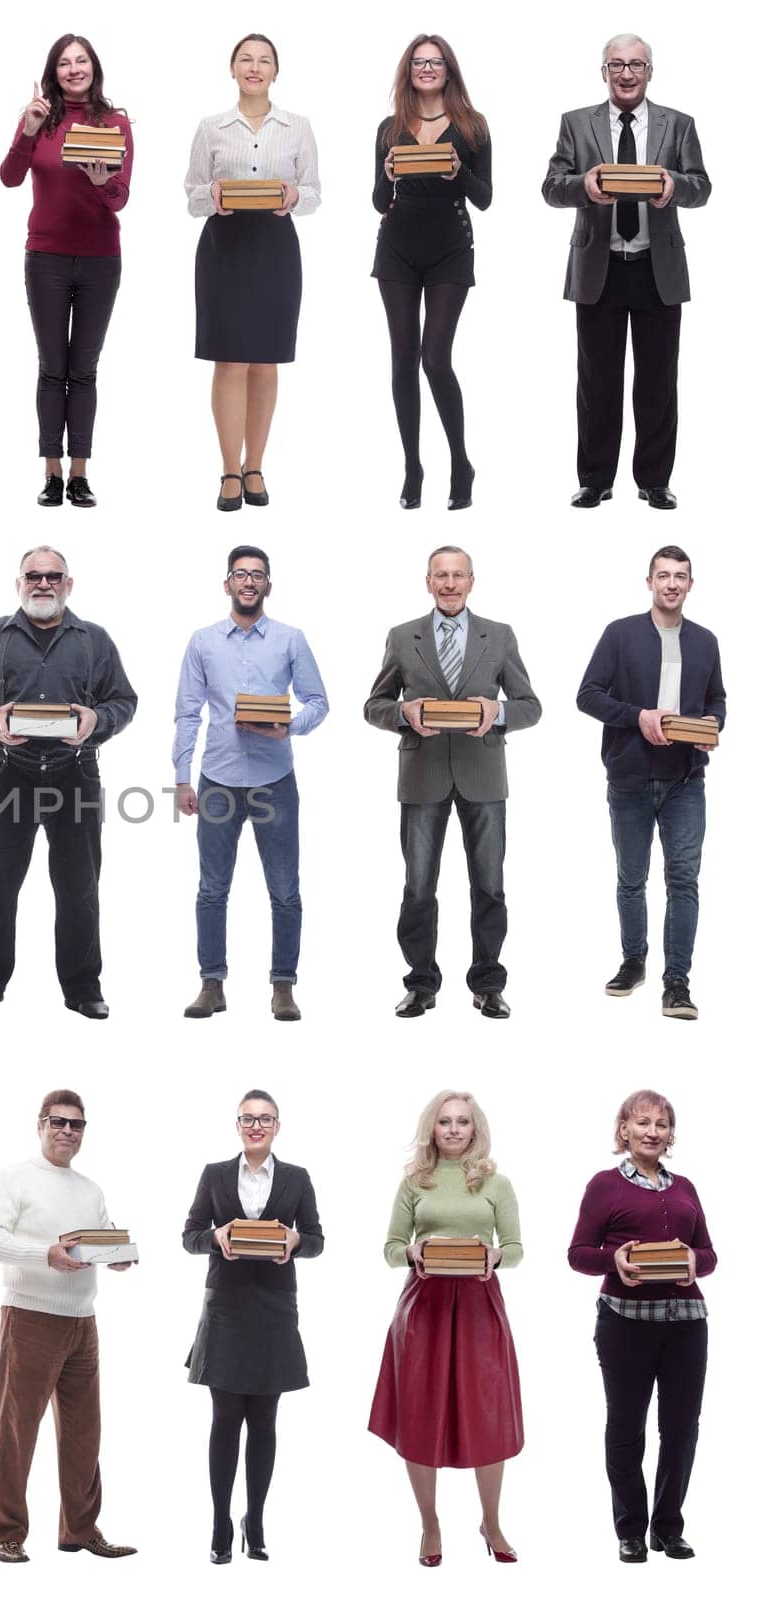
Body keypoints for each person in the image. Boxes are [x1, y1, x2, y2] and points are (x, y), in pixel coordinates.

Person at [0, 546, 137, 1018]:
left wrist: (99, 718)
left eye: (53, 577)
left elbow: (124, 702)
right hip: (9, 775)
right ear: (19, 584)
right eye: (33, 576)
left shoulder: (95, 640)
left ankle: (83, 989)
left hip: (76, 776)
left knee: (79, 888)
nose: (43, 584)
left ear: (69, 584)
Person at [363, 545, 540, 1020]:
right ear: (428, 582)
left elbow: (530, 705)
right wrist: (403, 713)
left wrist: (496, 712)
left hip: (483, 776)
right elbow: (373, 705)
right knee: (418, 887)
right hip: (422, 777)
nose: (449, 583)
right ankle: (421, 983)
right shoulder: (403, 637)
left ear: (471, 581)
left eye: (458, 575)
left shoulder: (498, 636)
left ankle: (488, 984)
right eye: (440, 575)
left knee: (490, 886)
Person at [541, 34, 710, 510]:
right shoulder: (576, 123)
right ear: (604, 71)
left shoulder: (678, 124)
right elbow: (553, 187)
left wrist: (675, 186)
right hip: (600, 266)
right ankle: (595, 479)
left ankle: (654, 480)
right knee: (597, 381)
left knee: (658, 381)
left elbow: (702, 186)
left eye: (636, 64)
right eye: (617, 64)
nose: (627, 73)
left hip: (658, 269)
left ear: (650, 71)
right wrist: (584, 185)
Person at [0, 1090, 136, 1564]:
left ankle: (80, 1530)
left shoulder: (90, 1188)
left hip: (83, 1322)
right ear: (40, 1125)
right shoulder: (15, 1178)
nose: (67, 1131)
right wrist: (42, 1252)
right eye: (58, 1122)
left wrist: (116, 1257)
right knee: (18, 1430)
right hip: (30, 1317)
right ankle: (6, 1531)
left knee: (85, 1432)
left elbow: (101, 1237)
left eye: (77, 1125)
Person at [173, 545, 328, 1021]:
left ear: (267, 586)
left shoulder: (290, 639)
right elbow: (186, 712)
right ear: (227, 584)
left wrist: (290, 727)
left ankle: (283, 986)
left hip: (273, 779)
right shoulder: (202, 642)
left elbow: (318, 702)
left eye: (257, 575)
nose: (248, 581)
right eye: (240, 574)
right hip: (217, 779)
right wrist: (182, 777)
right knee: (211, 889)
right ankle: (211, 983)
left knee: (285, 889)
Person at [368, 1090, 522, 1566]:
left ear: (476, 1129)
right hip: (424, 1310)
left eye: (463, 1122)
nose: (454, 1130)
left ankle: (491, 1522)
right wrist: (413, 1252)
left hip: (479, 1306)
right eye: (445, 1122)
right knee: (420, 1414)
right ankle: (429, 1524)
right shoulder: (415, 1180)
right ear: (431, 1129)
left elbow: (515, 1248)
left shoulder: (497, 1183)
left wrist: (495, 1255)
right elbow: (392, 1247)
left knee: (487, 1414)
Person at [567, 1090, 716, 1563]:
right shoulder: (604, 1185)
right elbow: (578, 1254)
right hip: (625, 1324)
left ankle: (668, 1528)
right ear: (624, 1130)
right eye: (643, 1122)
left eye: (662, 1124)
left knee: (681, 1429)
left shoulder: (686, 1187)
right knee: (626, 1427)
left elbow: (709, 1255)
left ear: (671, 1133)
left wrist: (695, 1259)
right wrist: (614, 1258)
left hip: (687, 1325)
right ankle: (630, 1529)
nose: (653, 1131)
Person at [577, 546, 723, 1021]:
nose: (672, 584)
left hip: (685, 780)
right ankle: (633, 961)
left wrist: (710, 727)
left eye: (681, 576)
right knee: (631, 879)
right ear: (649, 582)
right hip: (631, 779)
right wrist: (637, 716)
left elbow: (717, 699)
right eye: (664, 575)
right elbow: (587, 695)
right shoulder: (620, 634)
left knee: (683, 881)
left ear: (690, 585)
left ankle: (677, 982)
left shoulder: (705, 641)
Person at [181, 1090, 322, 1563]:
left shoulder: (298, 1178)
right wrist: (215, 1237)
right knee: (225, 1420)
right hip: (226, 1308)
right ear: (237, 1125)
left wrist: (298, 1240)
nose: (256, 1126)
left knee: (264, 1422)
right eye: (248, 1118)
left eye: (265, 1119)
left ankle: (255, 1520)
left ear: (278, 1126)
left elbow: (317, 1240)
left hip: (275, 1309)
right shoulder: (215, 1174)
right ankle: (221, 1522)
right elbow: (190, 1236)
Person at [184, 35, 319, 511]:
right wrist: (212, 195)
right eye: (246, 59)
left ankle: (255, 465)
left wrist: (294, 197)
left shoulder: (297, 126)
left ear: (276, 71)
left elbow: (314, 192)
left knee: (265, 360)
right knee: (230, 359)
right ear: (232, 68)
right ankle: (228, 470)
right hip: (225, 247)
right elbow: (192, 193)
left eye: (264, 61)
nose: (254, 67)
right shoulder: (211, 127)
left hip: (276, 249)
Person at [1, 35, 131, 508]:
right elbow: (10, 177)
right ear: (53, 72)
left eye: (81, 61)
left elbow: (120, 198)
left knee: (85, 369)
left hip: (100, 258)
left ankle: (80, 473)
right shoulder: (39, 120)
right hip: (47, 257)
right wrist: (27, 130)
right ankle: (51, 472)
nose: (74, 69)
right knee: (52, 368)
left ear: (94, 67)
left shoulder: (114, 123)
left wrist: (101, 184)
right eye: (64, 63)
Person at [372, 35, 490, 510]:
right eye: (419, 62)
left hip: (450, 249)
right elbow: (380, 202)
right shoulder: (389, 126)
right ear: (409, 70)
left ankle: (460, 463)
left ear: (449, 70)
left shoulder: (472, 125)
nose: (426, 69)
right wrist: (388, 175)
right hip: (397, 249)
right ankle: (412, 467)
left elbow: (484, 197)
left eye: (435, 62)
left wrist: (458, 169)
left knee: (434, 358)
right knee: (403, 357)